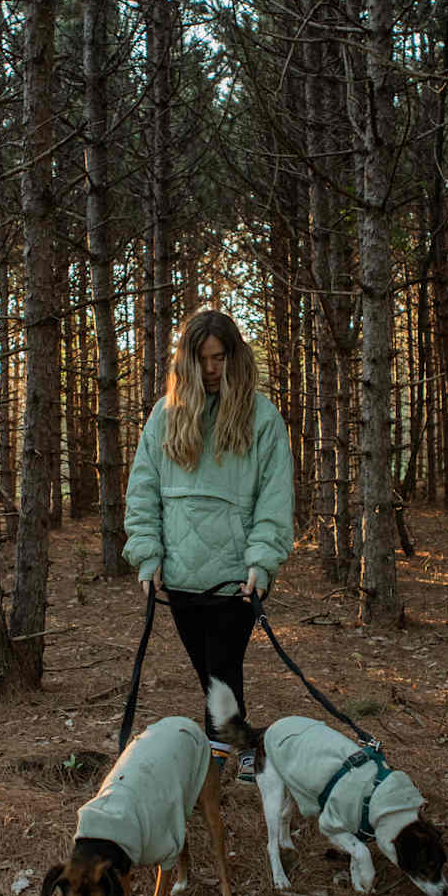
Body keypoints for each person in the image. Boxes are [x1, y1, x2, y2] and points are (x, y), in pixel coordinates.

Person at [123, 308, 294, 770]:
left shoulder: (262, 417)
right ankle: (239, 745)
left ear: (235, 357)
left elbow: (274, 498)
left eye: (220, 357)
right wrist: (147, 555)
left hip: (236, 576)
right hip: (179, 574)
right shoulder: (165, 415)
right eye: (202, 360)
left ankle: (222, 761)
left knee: (222, 668)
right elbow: (143, 490)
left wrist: (262, 561)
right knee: (210, 674)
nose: (212, 369)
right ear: (187, 363)